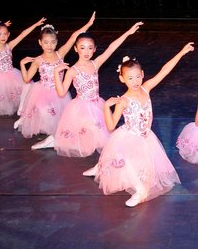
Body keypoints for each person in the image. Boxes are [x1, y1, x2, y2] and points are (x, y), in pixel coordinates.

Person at [85, 43, 194, 208]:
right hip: (129, 136)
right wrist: (106, 106)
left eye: (137, 77)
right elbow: (111, 126)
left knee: (140, 167)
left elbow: (164, 70)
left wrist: (181, 52)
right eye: (130, 78)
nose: (135, 81)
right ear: (122, 79)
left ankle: (100, 168)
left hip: (146, 137)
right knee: (123, 160)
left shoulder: (146, 88)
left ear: (142, 74)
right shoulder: (123, 101)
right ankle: (139, 190)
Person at [32, 21, 143, 154]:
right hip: (81, 107)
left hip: (96, 104)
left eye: (90, 48)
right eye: (82, 48)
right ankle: (55, 140)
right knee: (85, 139)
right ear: (76, 48)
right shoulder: (72, 70)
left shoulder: (95, 64)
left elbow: (111, 48)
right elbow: (61, 93)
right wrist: (56, 72)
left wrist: (128, 33)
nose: (86, 51)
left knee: (102, 137)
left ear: (95, 49)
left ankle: (57, 139)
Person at [14, 13, 96, 140]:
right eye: (46, 42)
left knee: (61, 119)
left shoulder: (60, 54)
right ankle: (26, 119)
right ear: (40, 43)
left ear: (56, 42)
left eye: (52, 42)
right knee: (44, 110)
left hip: (59, 92)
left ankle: (53, 135)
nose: (49, 45)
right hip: (43, 91)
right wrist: (22, 64)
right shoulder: (38, 60)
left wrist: (88, 24)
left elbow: (74, 37)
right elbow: (26, 79)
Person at [0, 17, 46, 116]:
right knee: (2, 98)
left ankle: (22, 107)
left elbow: (22, 35)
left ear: (8, 34)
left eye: (5, 34)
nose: (3, 36)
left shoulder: (9, 46)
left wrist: (35, 24)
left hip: (11, 74)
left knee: (27, 86)